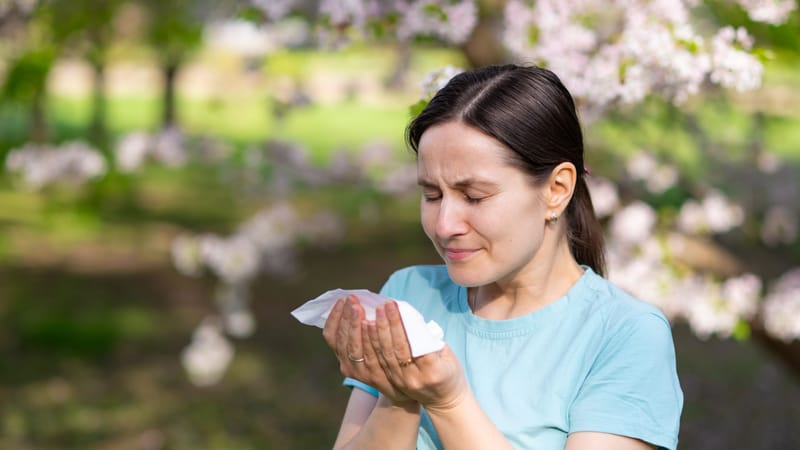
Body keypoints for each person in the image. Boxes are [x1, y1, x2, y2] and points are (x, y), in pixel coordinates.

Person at [322, 64, 683, 450]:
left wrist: (449, 402)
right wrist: (397, 397)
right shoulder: (409, 295)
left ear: (556, 190)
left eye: (474, 196)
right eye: (431, 195)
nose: (445, 225)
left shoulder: (625, 334)